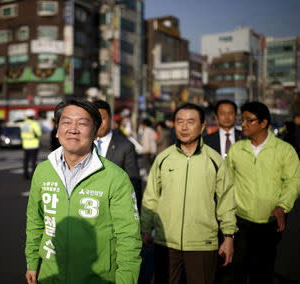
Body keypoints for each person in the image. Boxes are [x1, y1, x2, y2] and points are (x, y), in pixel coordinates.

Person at [25, 97, 142, 284]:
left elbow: (128, 237)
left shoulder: (115, 177)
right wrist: (32, 261)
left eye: (82, 123)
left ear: (95, 133)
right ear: (57, 131)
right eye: (66, 122)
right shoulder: (43, 171)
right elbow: (35, 221)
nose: (73, 129)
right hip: (50, 275)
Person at [141, 103, 237, 284]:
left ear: (202, 126)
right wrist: (146, 229)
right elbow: (151, 197)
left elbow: (226, 201)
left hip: (203, 243)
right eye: (179, 122)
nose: (184, 127)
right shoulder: (163, 158)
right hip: (166, 242)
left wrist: (228, 236)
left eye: (190, 122)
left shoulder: (214, 160)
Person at [223, 101, 300, 284]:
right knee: (236, 272)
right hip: (240, 222)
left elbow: (293, 181)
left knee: (263, 272)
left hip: (270, 224)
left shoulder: (284, 151)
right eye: (243, 120)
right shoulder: (236, 150)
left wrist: (282, 206)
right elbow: (227, 185)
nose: (243, 124)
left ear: (264, 123)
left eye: (250, 120)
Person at [93, 100, 143, 211]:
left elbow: (133, 182)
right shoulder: (83, 145)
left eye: (102, 118)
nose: (99, 123)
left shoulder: (125, 146)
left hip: (115, 208)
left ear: (110, 119)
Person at [20, 109, 42, 180]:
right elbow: (39, 133)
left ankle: (25, 175)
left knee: (26, 161)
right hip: (34, 145)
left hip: (25, 145)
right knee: (33, 161)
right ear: (33, 116)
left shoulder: (23, 124)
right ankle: (33, 175)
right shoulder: (34, 124)